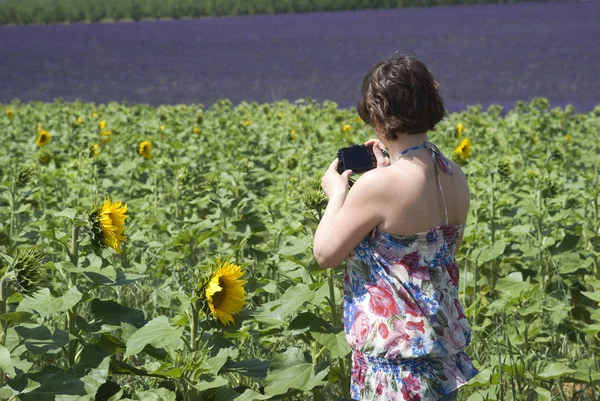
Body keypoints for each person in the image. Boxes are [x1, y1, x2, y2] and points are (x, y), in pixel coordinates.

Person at [313, 56, 479, 400]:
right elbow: (435, 258)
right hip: (440, 362)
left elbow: (325, 253)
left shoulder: (378, 186)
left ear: (377, 113)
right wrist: (386, 169)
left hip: (394, 367)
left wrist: (337, 193)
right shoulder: (454, 176)